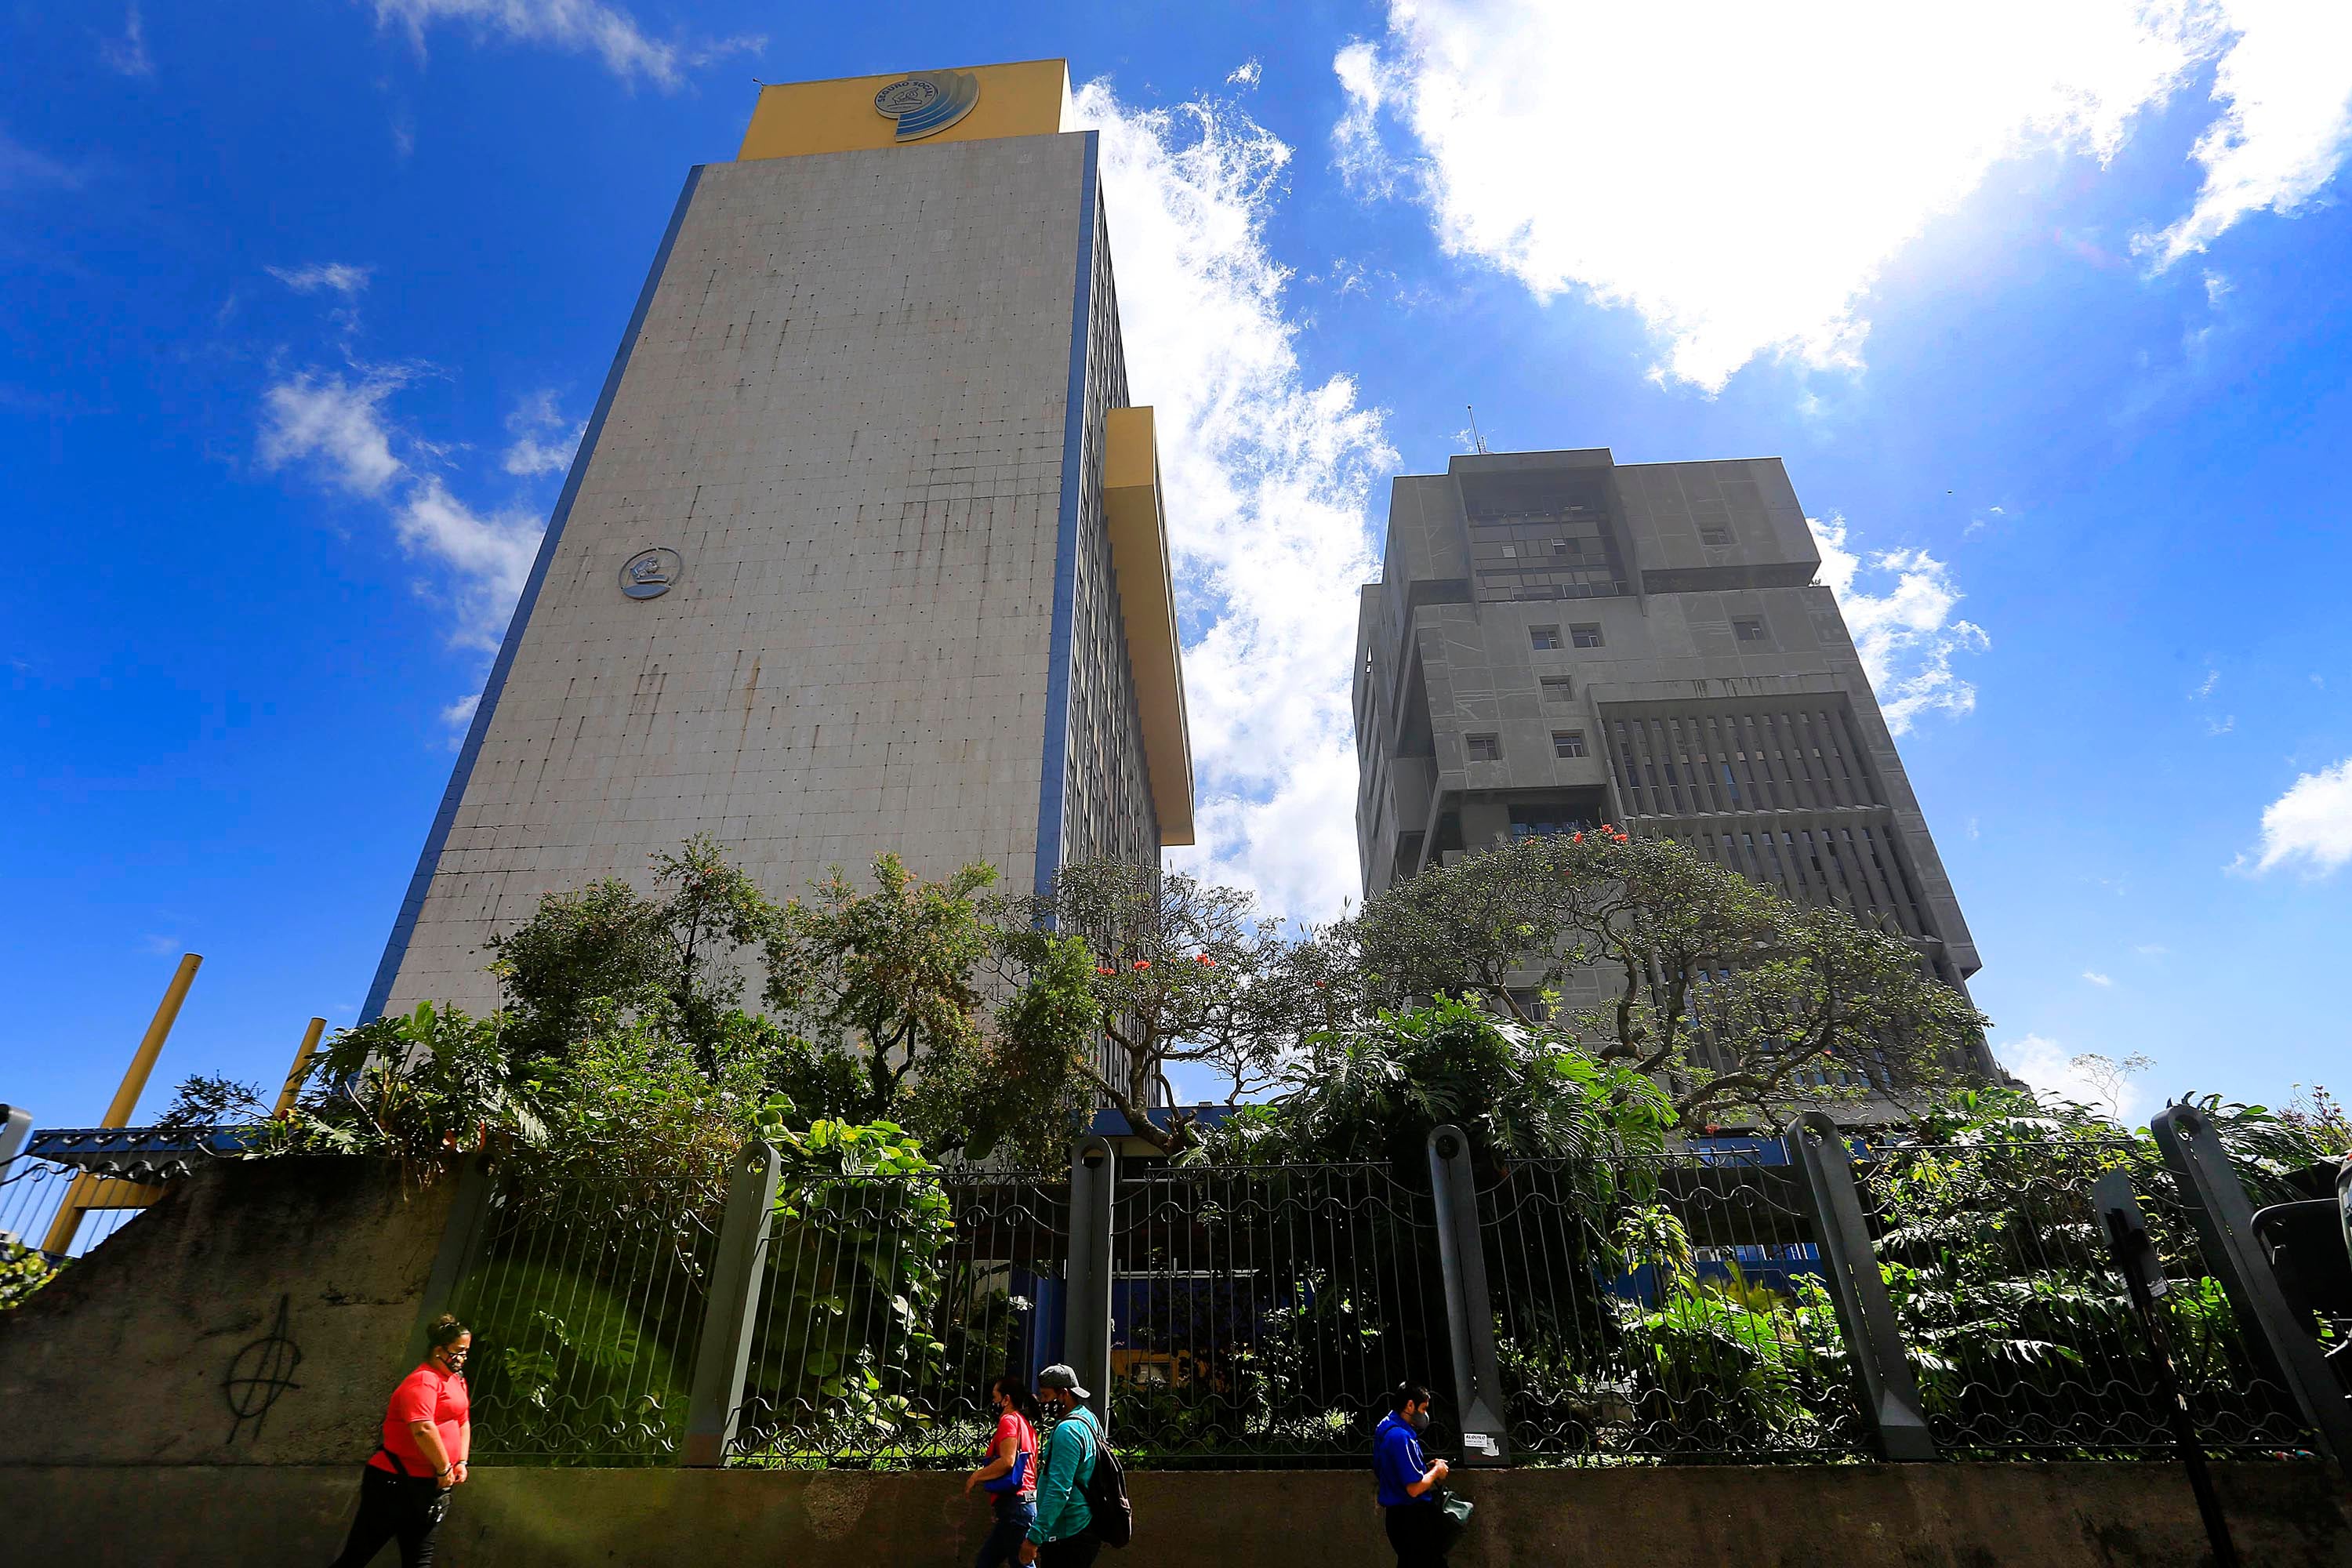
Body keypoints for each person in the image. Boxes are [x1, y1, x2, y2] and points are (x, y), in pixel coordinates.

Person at [327, 1312, 473, 1567]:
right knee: (358, 1554)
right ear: (439, 1350)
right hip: (395, 1482)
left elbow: (463, 1420)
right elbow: (423, 1428)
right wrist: (443, 1468)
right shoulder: (423, 1381)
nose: (462, 1358)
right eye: (458, 1351)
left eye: (466, 1352)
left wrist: (461, 1461)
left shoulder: (457, 1381)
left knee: (419, 1561)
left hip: (432, 1485)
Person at [1017, 1363, 1103, 1567]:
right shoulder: (1089, 1420)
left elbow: (1059, 1489)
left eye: (1046, 1396)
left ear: (1064, 1394)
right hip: (1083, 1526)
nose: (1042, 1402)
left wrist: (1034, 1537)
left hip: (1068, 1533)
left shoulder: (1068, 1431)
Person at [965, 1372, 1040, 1568]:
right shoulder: (1027, 1426)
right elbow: (1033, 1470)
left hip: (1015, 1505)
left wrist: (977, 1476)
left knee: (1021, 1564)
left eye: (995, 1397)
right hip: (1022, 1504)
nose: (993, 1402)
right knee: (986, 1562)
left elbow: (1008, 1461)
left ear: (1006, 1399)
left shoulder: (1009, 1421)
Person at [1373, 1382, 1450, 1568]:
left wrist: (1424, 1468)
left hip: (1399, 1518)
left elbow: (1393, 1469)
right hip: (1412, 1518)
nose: (1424, 1414)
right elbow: (1414, 1489)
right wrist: (1436, 1472)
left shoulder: (1386, 1427)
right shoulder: (1400, 1437)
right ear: (1410, 1405)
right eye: (1423, 1409)